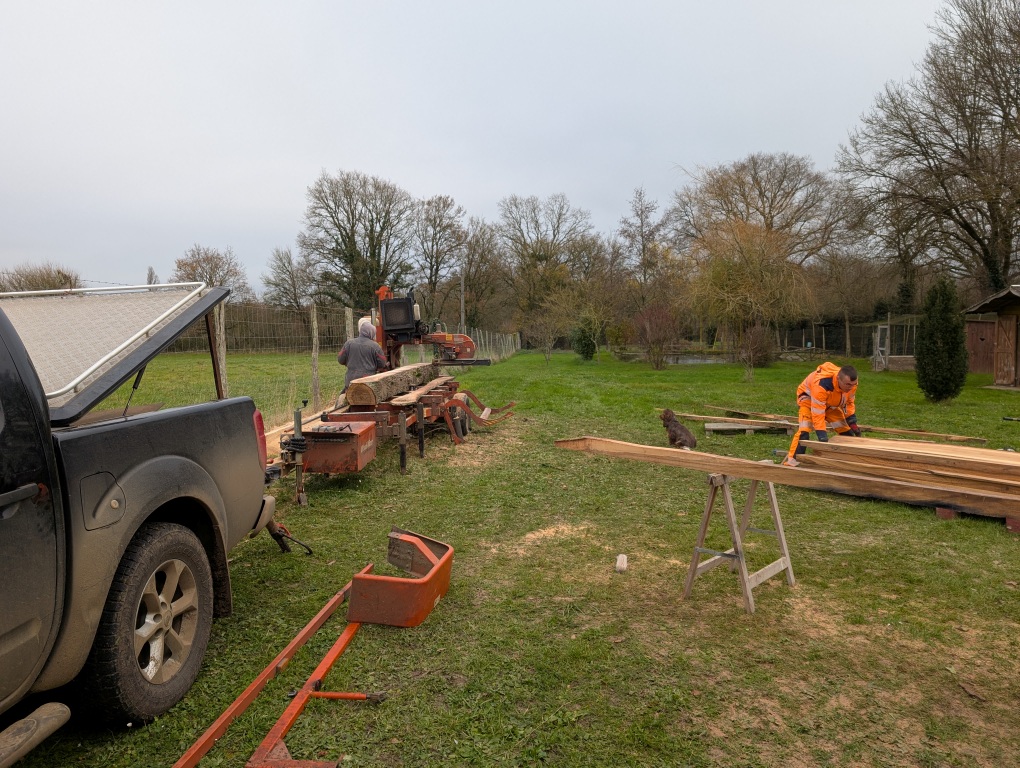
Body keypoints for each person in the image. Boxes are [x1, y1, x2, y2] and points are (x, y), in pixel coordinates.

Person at [783, 362, 861, 466]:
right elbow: (818, 412)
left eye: (853, 384)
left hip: (830, 403)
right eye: (848, 385)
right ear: (838, 379)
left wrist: (852, 421)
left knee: (845, 430)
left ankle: (848, 459)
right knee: (804, 430)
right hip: (809, 401)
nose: (851, 387)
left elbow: (849, 402)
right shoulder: (822, 385)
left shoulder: (851, 384)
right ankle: (792, 462)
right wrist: (821, 434)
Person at [338, 317, 389, 392]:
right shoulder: (375, 346)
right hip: (368, 382)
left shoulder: (349, 343)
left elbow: (340, 360)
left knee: (342, 398)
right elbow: (382, 364)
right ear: (372, 333)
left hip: (350, 380)